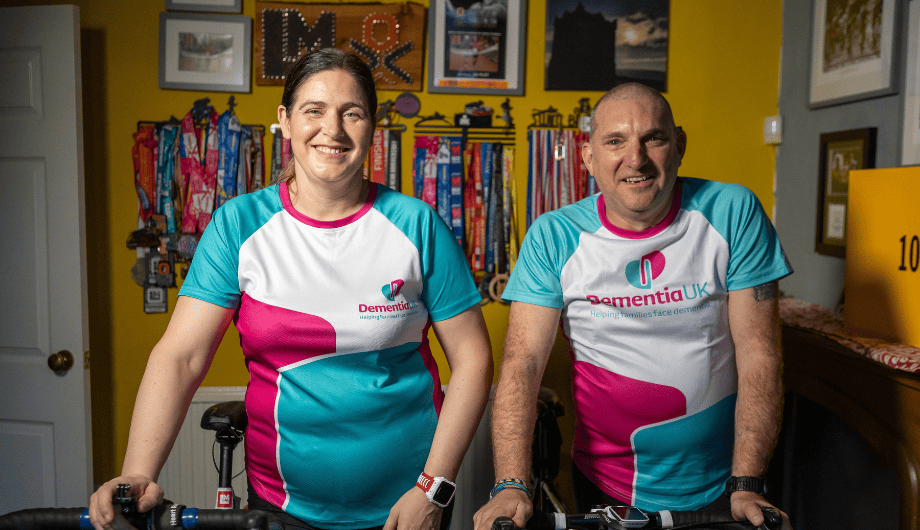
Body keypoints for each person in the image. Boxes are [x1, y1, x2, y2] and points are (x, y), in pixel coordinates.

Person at [89, 48, 493, 530]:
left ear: (373, 124)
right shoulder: (238, 226)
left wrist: (434, 488)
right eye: (314, 110)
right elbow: (181, 357)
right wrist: (138, 471)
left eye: (352, 113)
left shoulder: (417, 225)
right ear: (284, 119)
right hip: (279, 506)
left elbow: (472, 360)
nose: (333, 130)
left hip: (408, 504)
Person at [474, 83, 793, 530]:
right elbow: (522, 363)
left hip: (727, 482)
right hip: (607, 484)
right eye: (615, 141)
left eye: (653, 139)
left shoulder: (732, 212)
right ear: (589, 157)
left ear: (679, 145)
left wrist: (749, 481)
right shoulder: (554, 235)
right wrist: (510, 484)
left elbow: (760, 353)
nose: (636, 159)